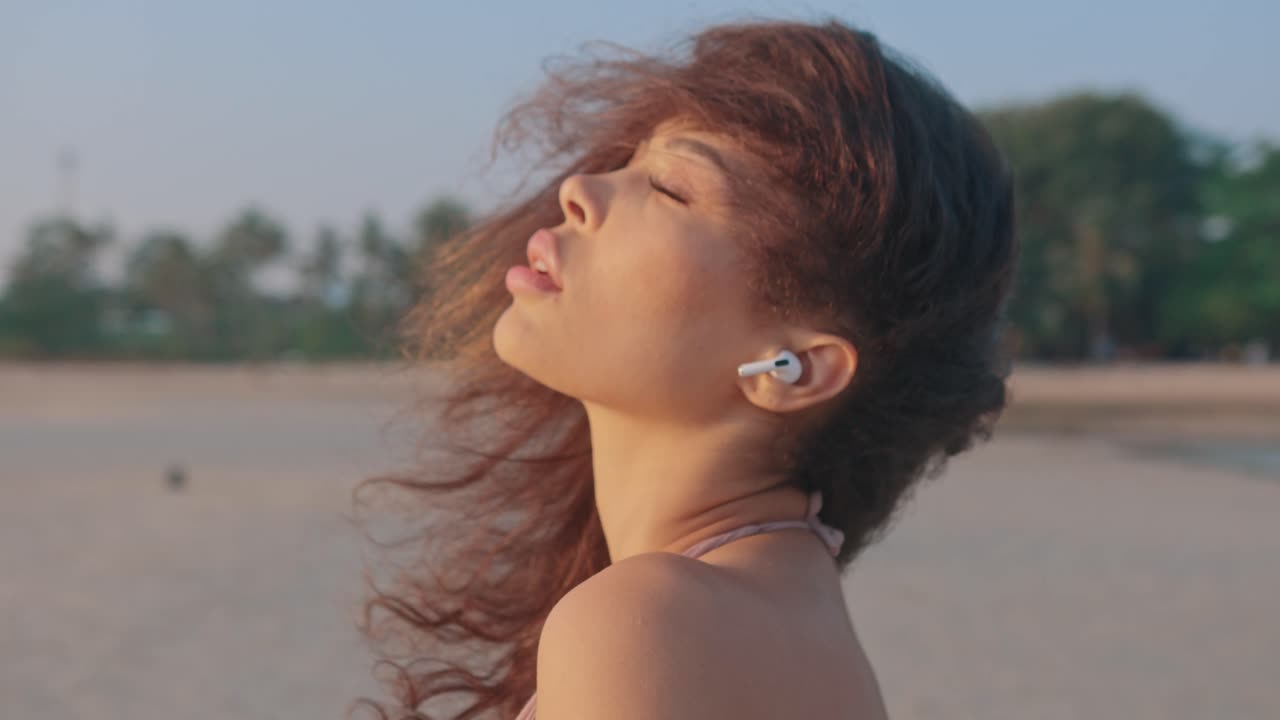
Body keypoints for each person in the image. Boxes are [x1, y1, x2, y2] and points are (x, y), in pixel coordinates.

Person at [350, 15, 1017, 720]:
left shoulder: (643, 624)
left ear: (792, 369)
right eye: (629, 160)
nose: (581, 188)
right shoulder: (794, 610)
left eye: (670, 188)